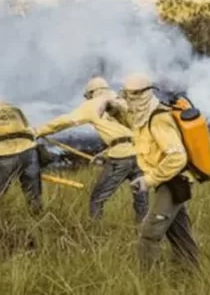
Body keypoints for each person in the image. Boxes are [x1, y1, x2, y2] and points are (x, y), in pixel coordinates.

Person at [35, 77, 148, 223]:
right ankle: (145, 235)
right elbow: (125, 135)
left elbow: (65, 121)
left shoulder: (93, 104)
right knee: (142, 201)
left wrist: (37, 131)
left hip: (121, 158)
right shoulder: (122, 101)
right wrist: (104, 154)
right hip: (139, 155)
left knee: (97, 199)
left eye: (88, 96)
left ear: (92, 92)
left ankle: (96, 233)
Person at [121, 73, 200, 271]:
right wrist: (114, 110)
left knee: (149, 232)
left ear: (147, 93)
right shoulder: (143, 116)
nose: (131, 99)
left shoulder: (158, 119)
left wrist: (148, 180)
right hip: (168, 181)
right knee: (179, 232)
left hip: (174, 181)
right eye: (128, 94)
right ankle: (191, 274)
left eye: (135, 94)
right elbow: (131, 119)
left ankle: (147, 281)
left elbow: (177, 157)